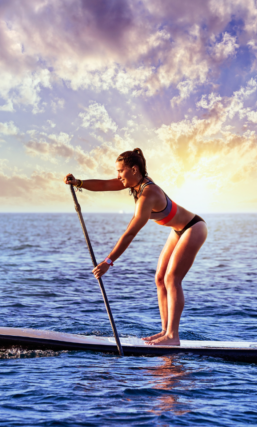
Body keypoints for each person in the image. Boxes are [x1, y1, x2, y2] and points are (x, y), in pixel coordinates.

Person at [64, 148, 207, 346]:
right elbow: (105, 184)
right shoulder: (135, 184)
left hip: (194, 228)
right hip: (178, 230)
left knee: (172, 278)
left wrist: (108, 261)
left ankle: (173, 336)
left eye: (120, 171)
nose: (118, 176)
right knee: (160, 278)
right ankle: (165, 331)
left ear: (133, 169)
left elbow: (130, 233)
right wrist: (79, 183)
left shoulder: (147, 194)